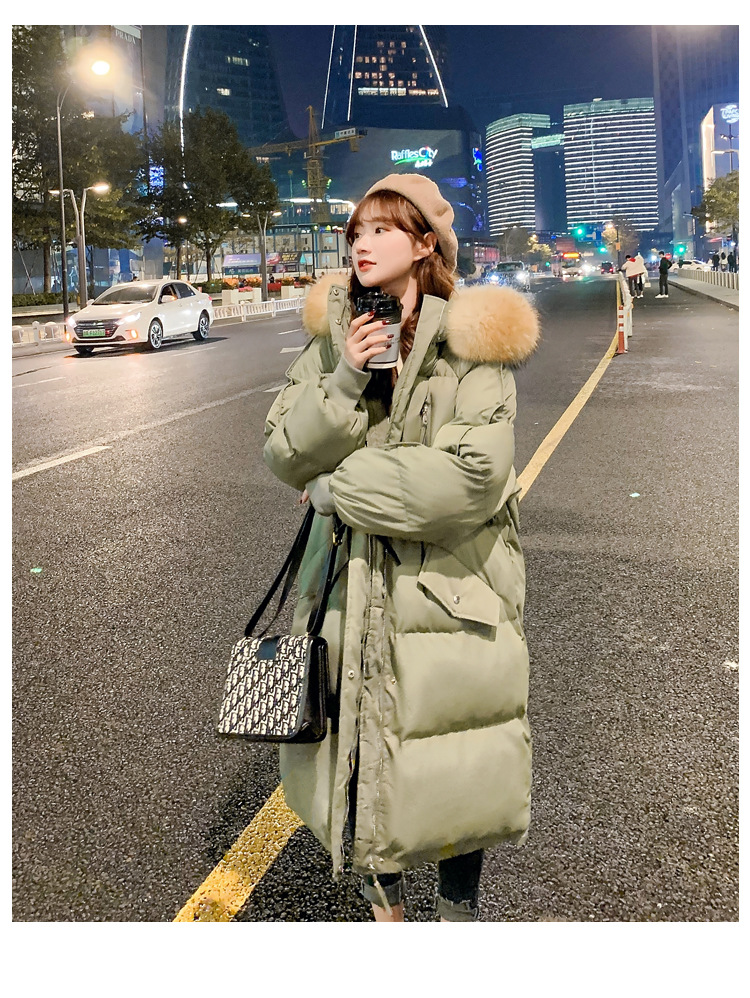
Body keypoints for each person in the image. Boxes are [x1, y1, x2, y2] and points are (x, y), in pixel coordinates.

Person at [263, 173, 539, 922]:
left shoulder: (472, 348)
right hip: (347, 588)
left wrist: (335, 488)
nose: (362, 243)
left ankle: (456, 920)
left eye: (382, 229)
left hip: (453, 589)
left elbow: (470, 481)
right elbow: (283, 451)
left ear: (425, 246)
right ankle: (386, 915)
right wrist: (347, 378)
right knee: (360, 754)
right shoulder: (332, 343)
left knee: (454, 757)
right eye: (355, 231)